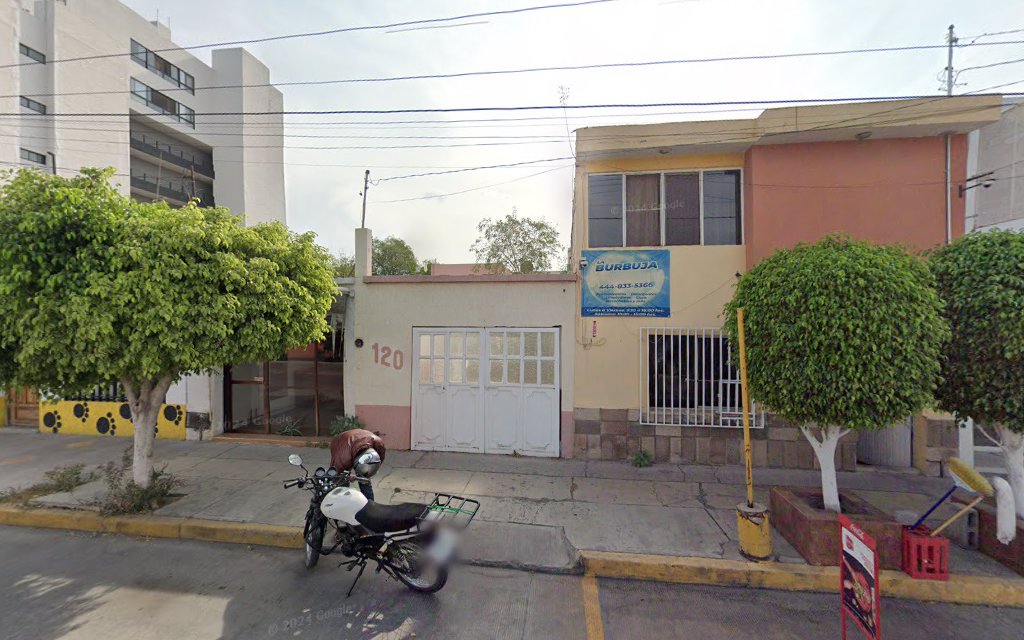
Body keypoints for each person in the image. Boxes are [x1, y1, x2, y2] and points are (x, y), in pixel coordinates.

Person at [329, 428, 386, 500]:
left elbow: (380, 459)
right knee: (342, 481)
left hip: (359, 439)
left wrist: (369, 472)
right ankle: (343, 499)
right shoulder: (343, 457)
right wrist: (347, 476)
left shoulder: (378, 444)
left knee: (365, 480)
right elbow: (336, 473)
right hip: (341, 442)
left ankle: (369, 503)